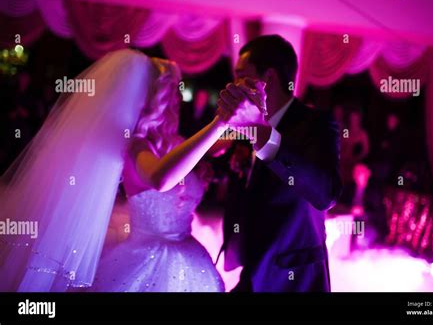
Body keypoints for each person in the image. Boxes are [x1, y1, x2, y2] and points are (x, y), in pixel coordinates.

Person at [0, 49, 265, 292]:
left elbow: (191, 163)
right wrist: (220, 123)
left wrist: (210, 163)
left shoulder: (177, 142)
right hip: (144, 262)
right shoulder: (136, 146)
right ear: (156, 96)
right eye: (173, 89)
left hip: (191, 257)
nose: (178, 97)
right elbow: (162, 179)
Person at [217, 35, 342, 292]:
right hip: (253, 269)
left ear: (268, 78)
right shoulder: (246, 123)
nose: (234, 84)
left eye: (241, 75)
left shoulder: (315, 124)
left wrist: (266, 138)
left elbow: (326, 194)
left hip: (292, 278)